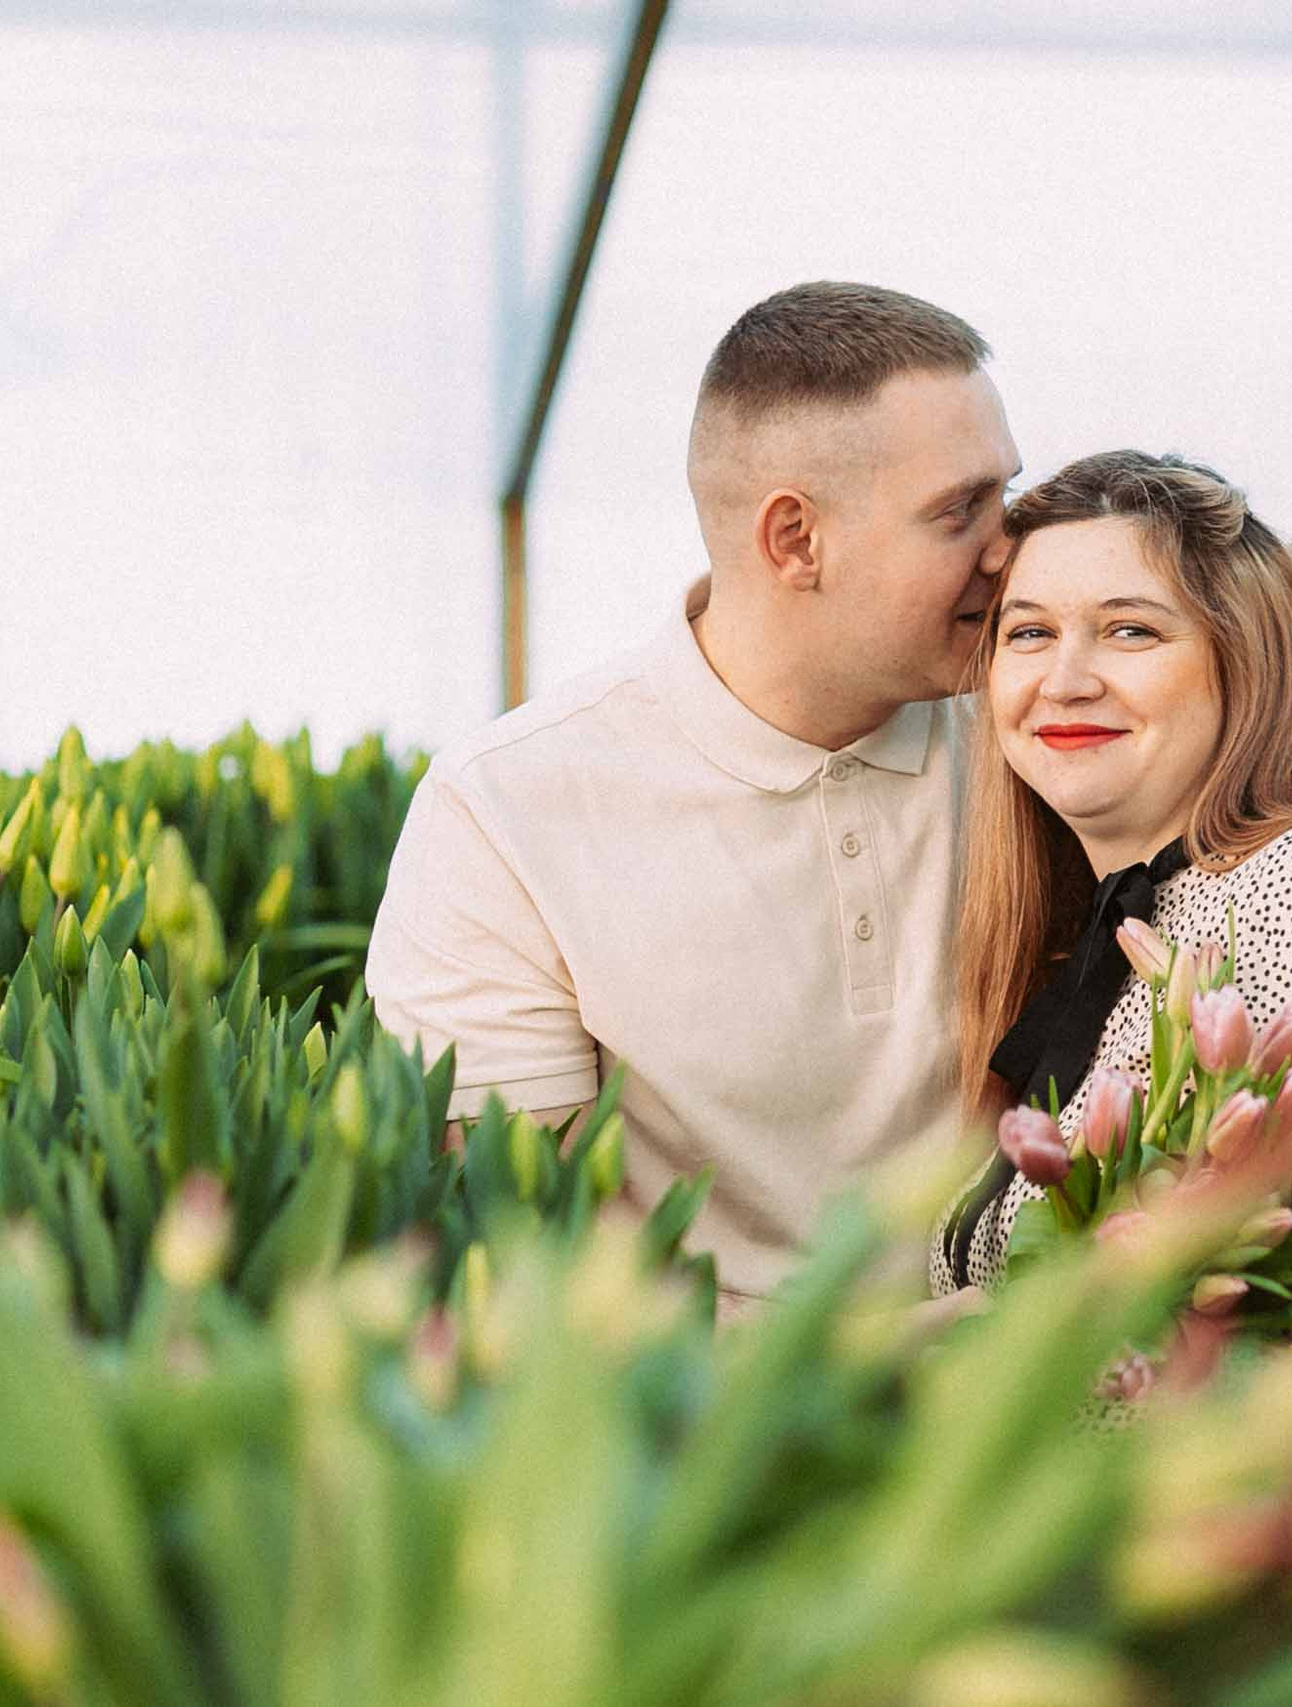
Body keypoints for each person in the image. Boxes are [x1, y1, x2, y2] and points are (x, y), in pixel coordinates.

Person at [366, 281, 1020, 1316]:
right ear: (795, 540)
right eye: (957, 513)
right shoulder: (503, 812)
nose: (1010, 549)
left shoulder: (1036, 741)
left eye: (1006, 498)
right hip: (697, 1435)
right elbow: (524, 1254)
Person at [924, 449, 1292, 1386]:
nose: (1067, 678)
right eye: (1030, 633)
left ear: (1241, 663)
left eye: (1130, 631)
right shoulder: (1109, 933)